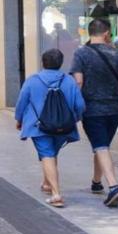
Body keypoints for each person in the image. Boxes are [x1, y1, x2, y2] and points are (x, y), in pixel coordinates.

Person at [70, 18, 118, 208]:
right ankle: (96, 182)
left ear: (89, 32)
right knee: (102, 145)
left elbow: (78, 82)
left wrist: (76, 106)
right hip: (115, 109)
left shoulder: (81, 54)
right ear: (106, 33)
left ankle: (114, 187)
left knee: (100, 146)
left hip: (92, 108)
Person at [15, 49, 85, 207]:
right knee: (52, 154)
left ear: (42, 62)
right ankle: (47, 183)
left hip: (38, 126)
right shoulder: (69, 81)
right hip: (63, 126)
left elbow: (21, 102)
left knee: (47, 154)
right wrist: (75, 118)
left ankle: (56, 194)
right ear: (60, 63)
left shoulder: (32, 80)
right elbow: (80, 105)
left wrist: (19, 119)